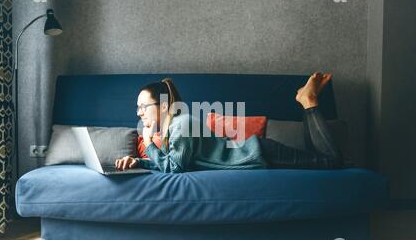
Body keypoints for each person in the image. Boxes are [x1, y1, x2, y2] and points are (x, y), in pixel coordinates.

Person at [115, 73, 344, 173]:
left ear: (163, 106)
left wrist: (148, 143)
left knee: (332, 163)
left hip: (259, 154)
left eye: (143, 107)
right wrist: (138, 162)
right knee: (322, 159)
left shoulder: (182, 124)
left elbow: (174, 169)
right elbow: (170, 163)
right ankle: (306, 101)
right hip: (258, 153)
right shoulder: (175, 126)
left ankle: (309, 101)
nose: (139, 113)